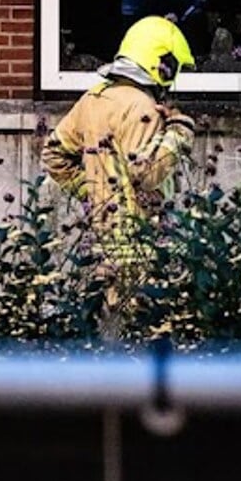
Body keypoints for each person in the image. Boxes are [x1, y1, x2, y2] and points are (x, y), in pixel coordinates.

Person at [41, 16, 197, 286]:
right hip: (138, 246)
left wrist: (92, 192)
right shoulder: (143, 108)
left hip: (99, 241)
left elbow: (53, 154)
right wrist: (179, 131)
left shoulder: (93, 98)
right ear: (163, 67)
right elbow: (145, 175)